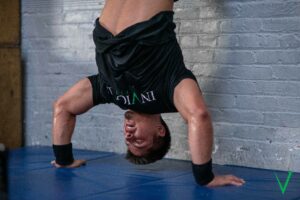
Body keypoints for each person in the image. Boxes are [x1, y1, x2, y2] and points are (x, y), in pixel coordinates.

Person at [51, 0, 245, 187]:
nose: (129, 135)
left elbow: (64, 107)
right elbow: (199, 115)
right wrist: (205, 177)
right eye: (139, 140)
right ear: (160, 131)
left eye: (127, 140)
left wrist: (64, 159)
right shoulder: (168, 93)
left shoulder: (110, 91)